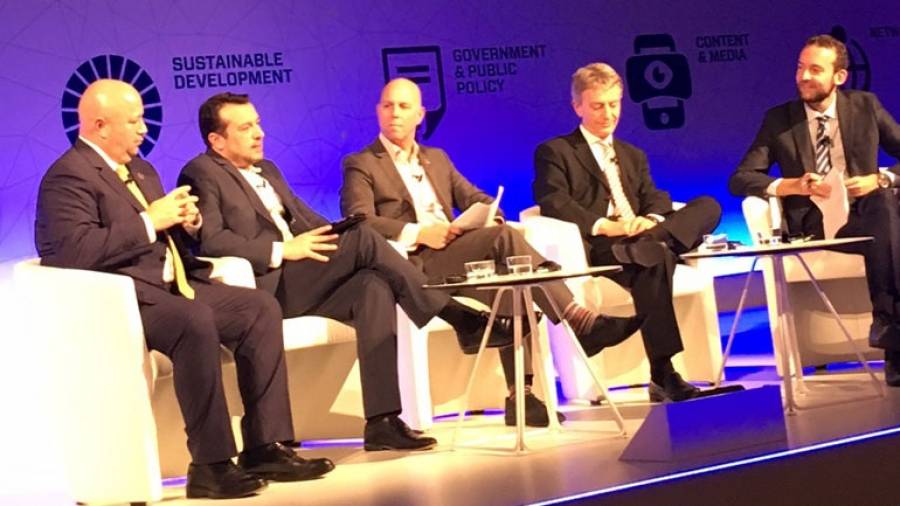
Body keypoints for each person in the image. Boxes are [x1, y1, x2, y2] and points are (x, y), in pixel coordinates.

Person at [34, 80, 334, 500]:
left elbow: (166, 235)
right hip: (125, 296)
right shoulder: (68, 176)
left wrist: (186, 223)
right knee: (195, 320)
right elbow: (73, 252)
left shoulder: (142, 169)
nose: (144, 129)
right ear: (100, 126)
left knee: (258, 309)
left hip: (174, 283)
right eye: (134, 121)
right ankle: (211, 465)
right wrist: (148, 222)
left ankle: (266, 446)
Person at [179, 92, 524, 448]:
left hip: (306, 274)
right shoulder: (202, 172)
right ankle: (456, 315)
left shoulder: (268, 170)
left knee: (372, 286)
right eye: (246, 127)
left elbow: (311, 221)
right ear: (217, 141)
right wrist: (283, 249)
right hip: (268, 285)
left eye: (258, 123)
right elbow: (212, 241)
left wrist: (339, 231)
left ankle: (382, 421)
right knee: (363, 237)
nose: (259, 133)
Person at [341, 78, 643, 424]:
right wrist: (421, 233)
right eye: (388, 106)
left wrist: (488, 214)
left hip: (455, 256)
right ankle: (578, 319)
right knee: (505, 240)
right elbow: (358, 221)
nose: (395, 113)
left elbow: (476, 197)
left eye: (404, 106)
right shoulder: (362, 163)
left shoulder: (436, 159)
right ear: (378, 111)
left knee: (514, 284)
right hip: (414, 264)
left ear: (420, 115)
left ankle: (521, 397)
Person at [533, 63, 722, 402]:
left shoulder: (632, 155)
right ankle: (663, 373)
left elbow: (655, 196)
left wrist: (650, 220)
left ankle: (655, 240)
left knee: (709, 205)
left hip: (643, 238)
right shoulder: (556, 151)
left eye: (614, 104)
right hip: (608, 246)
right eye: (598, 106)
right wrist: (610, 226)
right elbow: (554, 201)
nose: (608, 114)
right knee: (655, 258)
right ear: (577, 107)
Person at [729, 34, 900, 385]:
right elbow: (741, 178)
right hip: (815, 222)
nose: (804, 76)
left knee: (884, 206)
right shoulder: (779, 120)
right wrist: (792, 185)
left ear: (839, 76)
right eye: (800, 68)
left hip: (867, 216)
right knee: (890, 230)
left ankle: (888, 325)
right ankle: (892, 340)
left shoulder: (865, 106)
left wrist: (880, 178)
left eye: (815, 70)